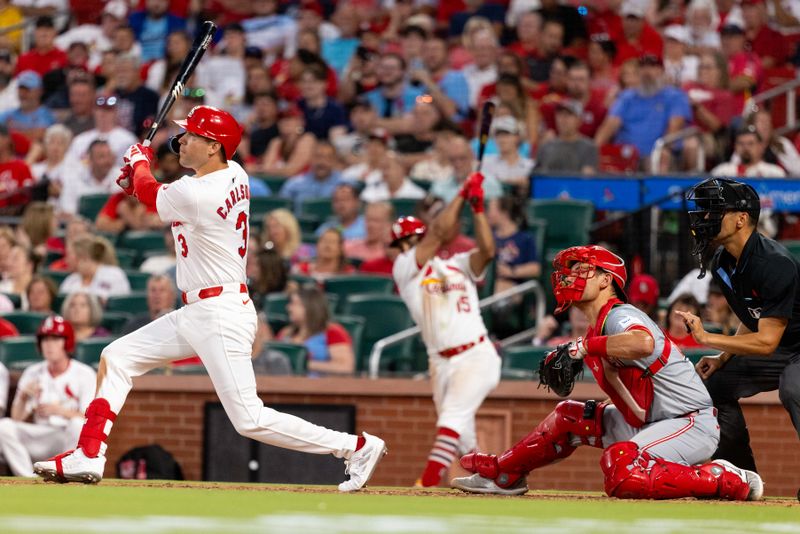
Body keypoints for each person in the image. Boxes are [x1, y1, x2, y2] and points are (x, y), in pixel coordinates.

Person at [34, 105, 386, 491]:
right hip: (200, 309)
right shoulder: (233, 173)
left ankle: (356, 447)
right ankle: (89, 453)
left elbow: (158, 197)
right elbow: (161, 195)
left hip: (220, 313)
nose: (181, 141)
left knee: (249, 418)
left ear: (214, 146)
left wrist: (139, 165)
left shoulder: (201, 190)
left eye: (192, 136)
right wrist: (139, 180)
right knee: (116, 357)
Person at [451, 244, 763, 501]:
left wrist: (586, 348)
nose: (570, 276)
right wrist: (592, 354)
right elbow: (634, 405)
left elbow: (642, 342)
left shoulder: (619, 315)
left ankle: (723, 478)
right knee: (569, 417)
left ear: (605, 280)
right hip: (654, 421)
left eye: (582, 269)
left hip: (690, 422)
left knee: (621, 470)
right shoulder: (597, 328)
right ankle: (505, 474)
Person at [679, 177, 800, 473]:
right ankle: (740, 476)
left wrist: (708, 338)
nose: (706, 219)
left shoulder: (774, 263)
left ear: (741, 219)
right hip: (779, 346)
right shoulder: (722, 261)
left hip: (793, 347)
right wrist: (722, 359)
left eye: (715, 212)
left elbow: (766, 341)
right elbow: (752, 319)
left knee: (794, 388)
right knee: (712, 386)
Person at [390, 171, 501, 488]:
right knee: (463, 435)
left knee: (451, 419)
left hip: (476, 353)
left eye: (410, 240)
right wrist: (464, 194)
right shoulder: (405, 269)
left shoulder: (457, 264)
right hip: (441, 361)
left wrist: (478, 210)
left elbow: (488, 252)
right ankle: (494, 477)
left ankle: (427, 482)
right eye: (404, 243)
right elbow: (439, 233)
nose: (407, 247)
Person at [0, 316, 95, 477]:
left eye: (55, 339)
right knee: (4, 426)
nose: (49, 345)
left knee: (77, 424)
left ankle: (66, 475)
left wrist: (60, 411)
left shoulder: (84, 374)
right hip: (40, 434)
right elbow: (17, 418)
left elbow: (89, 419)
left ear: (67, 343)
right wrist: (23, 397)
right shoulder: (32, 372)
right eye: (45, 340)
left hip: (65, 435)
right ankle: (28, 478)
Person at [277, 285, 355, 376]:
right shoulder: (286, 333)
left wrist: (304, 364)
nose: (289, 308)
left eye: (295, 304)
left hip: (320, 386)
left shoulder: (333, 332)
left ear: (310, 306)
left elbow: (346, 367)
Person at [59, 235, 130, 300]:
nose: (66, 260)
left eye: (69, 255)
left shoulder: (114, 274)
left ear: (84, 257)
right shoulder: (71, 280)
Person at [536, 100, 599, 174]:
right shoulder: (546, 146)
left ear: (579, 120)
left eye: (568, 115)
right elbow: (537, 175)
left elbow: (587, 178)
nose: (563, 119)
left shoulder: (589, 147)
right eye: (560, 114)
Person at [711, 125, 785, 178]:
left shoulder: (774, 173)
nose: (745, 147)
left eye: (750, 144)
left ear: (761, 147)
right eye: (741, 143)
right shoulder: (722, 172)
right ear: (735, 147)